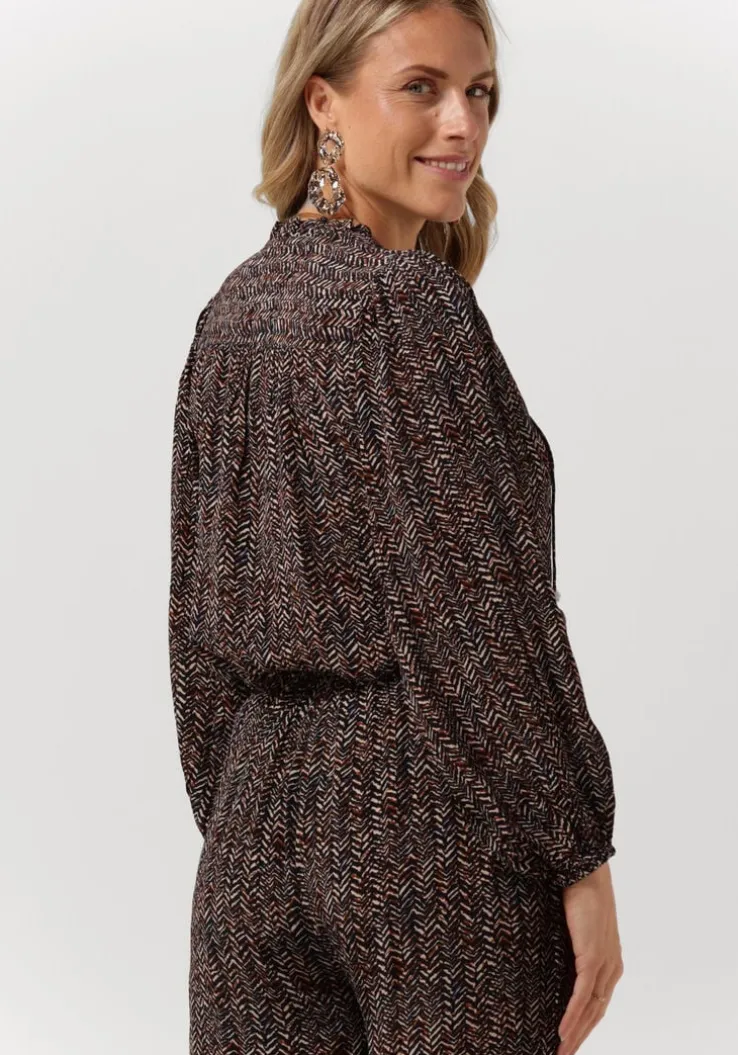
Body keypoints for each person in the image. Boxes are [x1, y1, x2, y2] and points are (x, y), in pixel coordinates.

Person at [168, 1, 624, 1053]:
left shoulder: (229, 316)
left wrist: (247, 819)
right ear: (322, 102)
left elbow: (196, 626)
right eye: (421, 87)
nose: (462, 123)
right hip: (432, 818)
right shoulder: (410, 304)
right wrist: (578, 850)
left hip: (248, 835)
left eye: (480, 92)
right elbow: (482, 615)